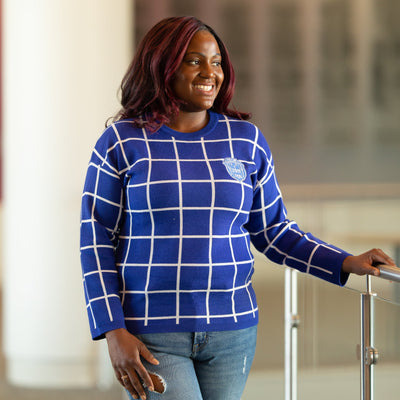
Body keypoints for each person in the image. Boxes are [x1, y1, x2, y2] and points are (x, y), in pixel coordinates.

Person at [80, 16, 396, 400]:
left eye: (216, 62)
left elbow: (273, 231)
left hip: (232, 332)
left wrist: (344, 262)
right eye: (193, 60)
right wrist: (112, 330)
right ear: (162, 65)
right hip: (151, 332)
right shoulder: (121, 142)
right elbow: (95, 241)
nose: (209, 73)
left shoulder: (245, 141)